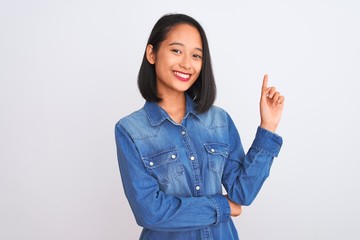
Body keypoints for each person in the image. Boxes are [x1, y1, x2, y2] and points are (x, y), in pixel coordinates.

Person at [114, 13, 284, 240]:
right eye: (176, 50)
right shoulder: (131, 130)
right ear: (152, 53)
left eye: (196, 55)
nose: (186, 63)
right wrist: (221, 206)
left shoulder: (219, 121)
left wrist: (268, 127)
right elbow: (149, 212)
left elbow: (242, 193)